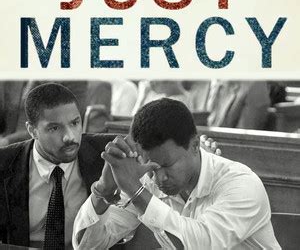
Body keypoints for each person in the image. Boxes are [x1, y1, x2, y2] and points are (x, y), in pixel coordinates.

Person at [73, 98, 281, 249]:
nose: (159, 178)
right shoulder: (149, 179)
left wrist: (135, 191)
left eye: (167, 165)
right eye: (151, 165)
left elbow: (201, 244)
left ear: (194, 145)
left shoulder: (241, 183)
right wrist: (103, 191)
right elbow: (86, 246)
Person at [0, 83, 108, 249]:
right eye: (54, 128)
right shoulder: (4, 164)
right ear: (32, 130)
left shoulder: (106, 153)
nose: (69, 137)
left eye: (74, 123)